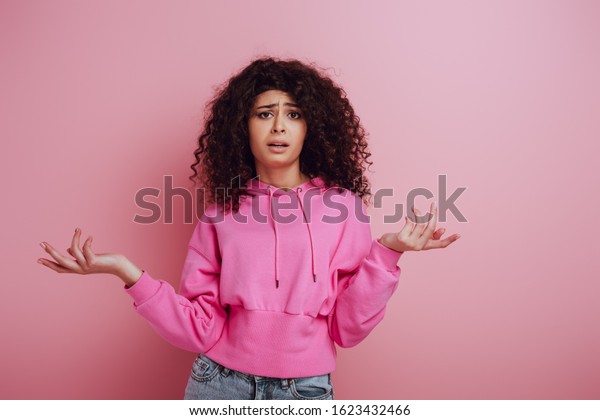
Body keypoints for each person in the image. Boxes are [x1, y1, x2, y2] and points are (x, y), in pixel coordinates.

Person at [37, 56, 461, 400]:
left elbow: (347, 330)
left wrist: (387, 252)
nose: (279, 125)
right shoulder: (222, 213)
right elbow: (201, 327)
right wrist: (126, 271)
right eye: (264, 114)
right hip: (218, 386)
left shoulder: (343, 208)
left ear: (310, 126)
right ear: (244, 127)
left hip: (306, 392)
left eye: (293, 114)